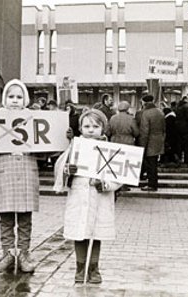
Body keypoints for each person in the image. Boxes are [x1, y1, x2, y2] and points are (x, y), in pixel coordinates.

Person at [53, 109, 121, 284]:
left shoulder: (110, 150)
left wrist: (106, 184)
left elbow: (119, 175)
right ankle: (80, 267)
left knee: (96, 234)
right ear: (81, 128)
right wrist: (68, 171)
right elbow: (60, 167)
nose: (91, 130)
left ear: (103, 128)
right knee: (79, 233)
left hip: (99, 198)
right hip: (79, 197)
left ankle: (94, 268)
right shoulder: (74, 147)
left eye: (96, 126)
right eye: (87, 126)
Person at [0, 79, 39, 274]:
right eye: (11, 96)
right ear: (4, 99)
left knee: (25, 218)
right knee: (6, 218)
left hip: (27, 170)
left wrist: (63, 136)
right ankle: (8, 253)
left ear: (25, 100)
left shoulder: (34, 120)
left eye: (19, 97)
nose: (14, 101)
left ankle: (24, 253)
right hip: (4, 171)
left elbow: (46, 150)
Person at [139, 95, 165, 191]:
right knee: (154, 163)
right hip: (158, 141)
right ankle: (153, 183)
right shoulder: (160, 112)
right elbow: (164, 129)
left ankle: (152, 184)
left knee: (151, 164)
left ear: (144, 102)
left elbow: (144, 131)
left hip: (150, 142)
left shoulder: (146, 113)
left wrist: (142, 145)